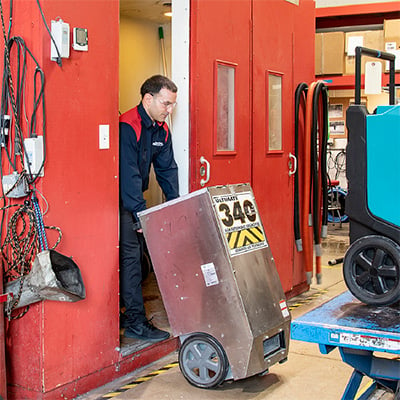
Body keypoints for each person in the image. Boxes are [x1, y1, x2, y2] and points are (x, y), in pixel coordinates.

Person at [119, 75, 179, 342]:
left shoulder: (161, 130)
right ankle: (134, 322)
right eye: (166, 103)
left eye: (172, 105)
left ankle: (124, 309)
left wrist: (176, 207)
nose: (169, 110)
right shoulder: (128, 126)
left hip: (134, 199)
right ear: (148, 99)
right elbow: (128, 176)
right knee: (131, 260)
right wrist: (141, 215)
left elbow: (167, 170)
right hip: (118, 201)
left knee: (141, 261)